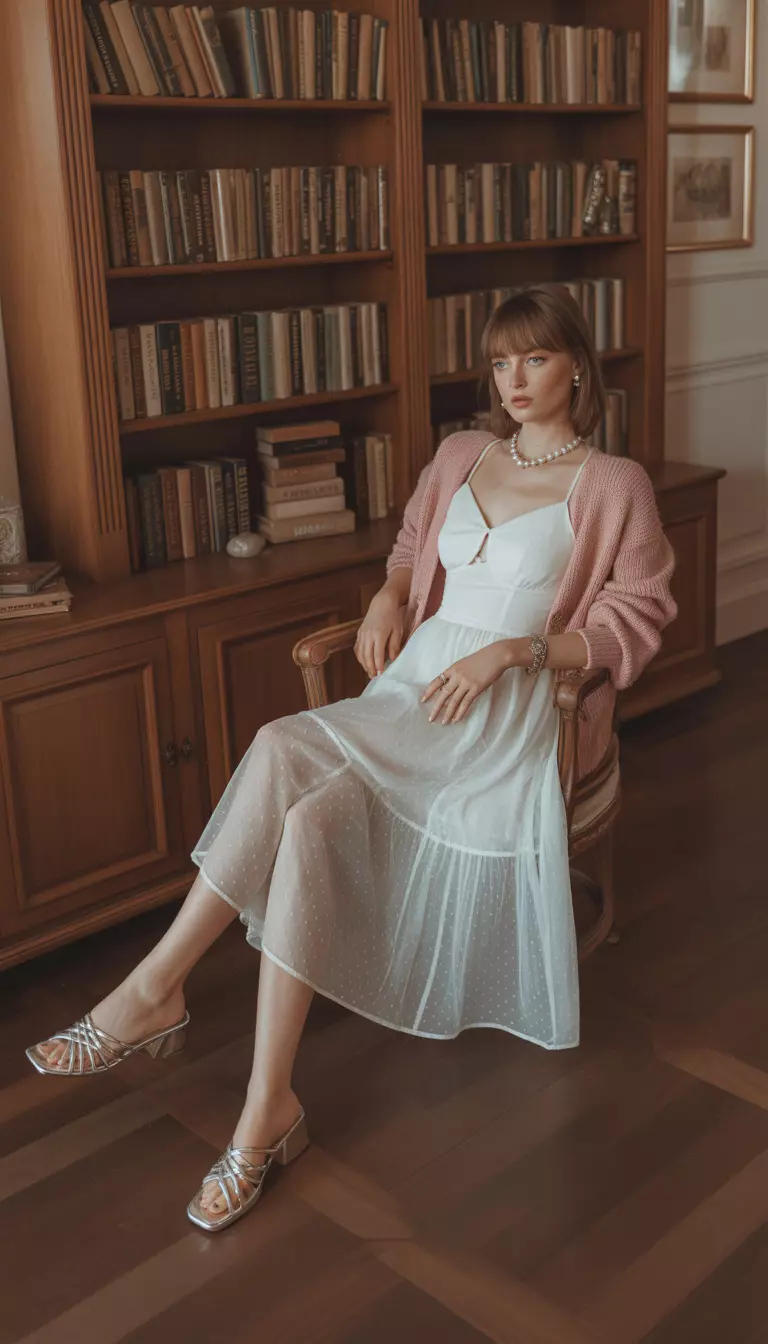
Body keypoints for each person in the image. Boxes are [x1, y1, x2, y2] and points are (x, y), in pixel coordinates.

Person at [26, 284, 676, 1232]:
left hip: (502, 710)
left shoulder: (615, 483)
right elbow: (415, 547)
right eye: (500, 361)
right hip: (414, 685)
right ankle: (267, 1111)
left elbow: (636, 615)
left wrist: (514, 652)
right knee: (303, 814)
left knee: (279, 744)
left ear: (577, 360)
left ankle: (154, 997)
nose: (515, 379)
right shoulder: (463, 452)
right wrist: (387, 596)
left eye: (534, 358)